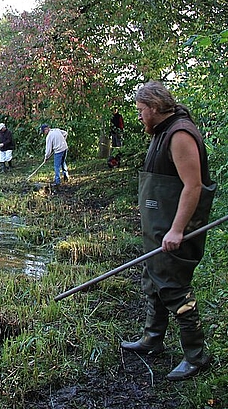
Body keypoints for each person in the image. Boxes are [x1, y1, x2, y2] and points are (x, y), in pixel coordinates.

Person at [121, 81, 216, 381]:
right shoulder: (162, 131)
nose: (138, 116)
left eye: (140, 110)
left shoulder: (180, 134)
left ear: (154, 107)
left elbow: (193, 186)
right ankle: (153, 338)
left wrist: (176, 231)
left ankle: (197, 356)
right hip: (159, 223)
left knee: (175, 288)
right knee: (154, 281)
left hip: (174, 226)